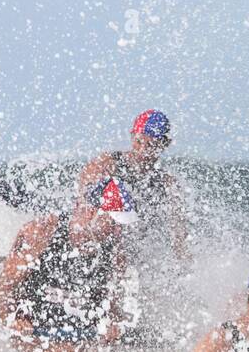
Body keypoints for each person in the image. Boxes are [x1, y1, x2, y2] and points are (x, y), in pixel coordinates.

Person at [0, 176, 138, 352]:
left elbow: (111, 305)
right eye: (113, 223)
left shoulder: (114, 252)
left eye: (120, 226)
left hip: (77, 335)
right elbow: (4, 290)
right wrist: (14, 318)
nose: (118, 232)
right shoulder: (41, 232)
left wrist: (114, 322)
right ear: (90, 212)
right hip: (34, 330)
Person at [76, 109, 189, 262]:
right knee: (115, 220)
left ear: (164, 144)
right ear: (131, 137)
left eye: (150, 145)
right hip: (93, 238)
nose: (143, 150)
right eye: (139, 142)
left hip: (133, 249)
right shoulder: (108, 162)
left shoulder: (167, 184)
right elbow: (84, 196)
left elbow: (179, 236)